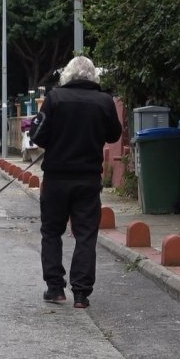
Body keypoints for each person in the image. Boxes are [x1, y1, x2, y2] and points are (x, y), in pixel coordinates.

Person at [29, 56, 122, 309]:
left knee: (51, 232)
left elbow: (37, 134)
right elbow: (115, 134)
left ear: (67, 75)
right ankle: (81, 294)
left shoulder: (55, 99)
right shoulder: (104, 101)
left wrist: (57, 141)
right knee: (85, 235)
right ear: (93, 77)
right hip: (88, 179)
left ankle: (55, 288)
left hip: (57, 178)